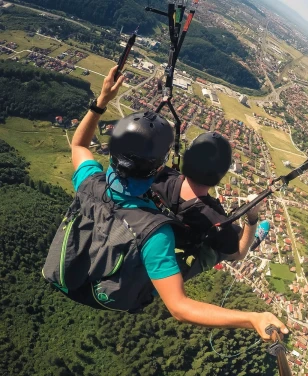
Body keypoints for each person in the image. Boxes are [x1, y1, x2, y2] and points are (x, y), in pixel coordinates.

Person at [42, 67, 288, 340]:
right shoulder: (156, 235)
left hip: (73, 270)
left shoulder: (90, 181)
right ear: (155, 169)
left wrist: (101, 101)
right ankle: (248, 234)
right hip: (112, 291)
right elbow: (180, 307)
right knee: (210, 254)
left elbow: (78, 146)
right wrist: (251, 318)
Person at [152, 132, 263, 280]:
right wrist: (252, 217)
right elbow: (239, 254)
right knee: (229, 239)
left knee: (231, 231)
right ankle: (250, 236)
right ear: (220, 176)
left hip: (150, 236)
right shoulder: (214, 219)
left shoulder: (160, 177)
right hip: (174, 255)